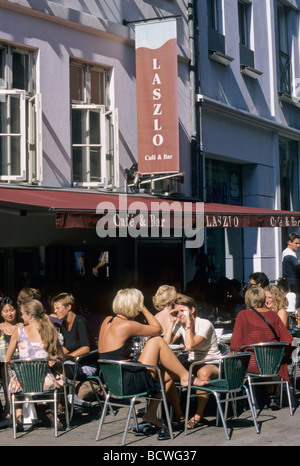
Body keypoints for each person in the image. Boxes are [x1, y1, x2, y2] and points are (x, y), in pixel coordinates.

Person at [98, 288, 209, 439]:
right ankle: (185, 376)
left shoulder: (107, 321)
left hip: (114, 380)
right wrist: (143, 308)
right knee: (157, 341)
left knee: (167, 373)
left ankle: (151, 414)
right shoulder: (127, 325)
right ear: (133, 305)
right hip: (128, 380)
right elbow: (158, 329)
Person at [5, 299, 65, 431]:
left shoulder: (18, 331)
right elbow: (61, 357)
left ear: (30, 315)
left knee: (15, 381)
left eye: (22, 314)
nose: (21, 317)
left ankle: (18, 415)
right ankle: (54, 413)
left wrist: (18, 367)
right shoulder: (49, 330)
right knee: (59, 377)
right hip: (45, 381)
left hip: (23, 381)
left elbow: (7, 359)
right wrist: (49, 362)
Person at [230, 286, 293, 410]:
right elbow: (287, 339)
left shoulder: (243, 315)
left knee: (232, 357)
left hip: (251, 364)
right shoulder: (273, 315)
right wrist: (282, 353)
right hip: (272, 363)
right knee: (265, 356)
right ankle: (270, 396)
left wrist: (243, 347)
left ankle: (237, 399)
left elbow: (235, 344)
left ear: (247, 300)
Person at [164, 293, 221, 429]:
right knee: (167, 374)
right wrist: (172, 322)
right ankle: (179, 415)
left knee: (203, 372)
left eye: (182, 310)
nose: (179, 314)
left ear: (192, 310)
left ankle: (198, 414)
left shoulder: (204, 324)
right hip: (193, 362)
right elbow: (165, 344)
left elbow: (189, 345)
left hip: (212, 362)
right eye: (177, 311)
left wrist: (189, 322)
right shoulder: (180, 324)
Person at [52, 292, 98, 406]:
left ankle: (67, 400)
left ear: (68, 307)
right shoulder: (64, 324)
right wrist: (55, 357)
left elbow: (86, 348)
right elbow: (67, 347)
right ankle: (61, 401)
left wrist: (66, 357)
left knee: (63, 367)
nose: (55, 311)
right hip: (74, 362)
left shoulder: (80, 321)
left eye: (58, 308)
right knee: (52, 366)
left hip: (88, 364)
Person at [0, 297, 23, 417]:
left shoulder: (22, 326)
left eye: (12, 310)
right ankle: (8, 407)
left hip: (20, 361)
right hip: (3, 362)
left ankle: (13, 408)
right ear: (1, 313)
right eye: (5, 311)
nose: (9, 313)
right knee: (4, 368)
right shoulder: (0, 328)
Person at [282, 233, 300, 307]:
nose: (298, 245)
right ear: (289, 242)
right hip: (294, 284)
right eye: (296, 243)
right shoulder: (289, 255)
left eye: (299, 243)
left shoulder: (290, 253)